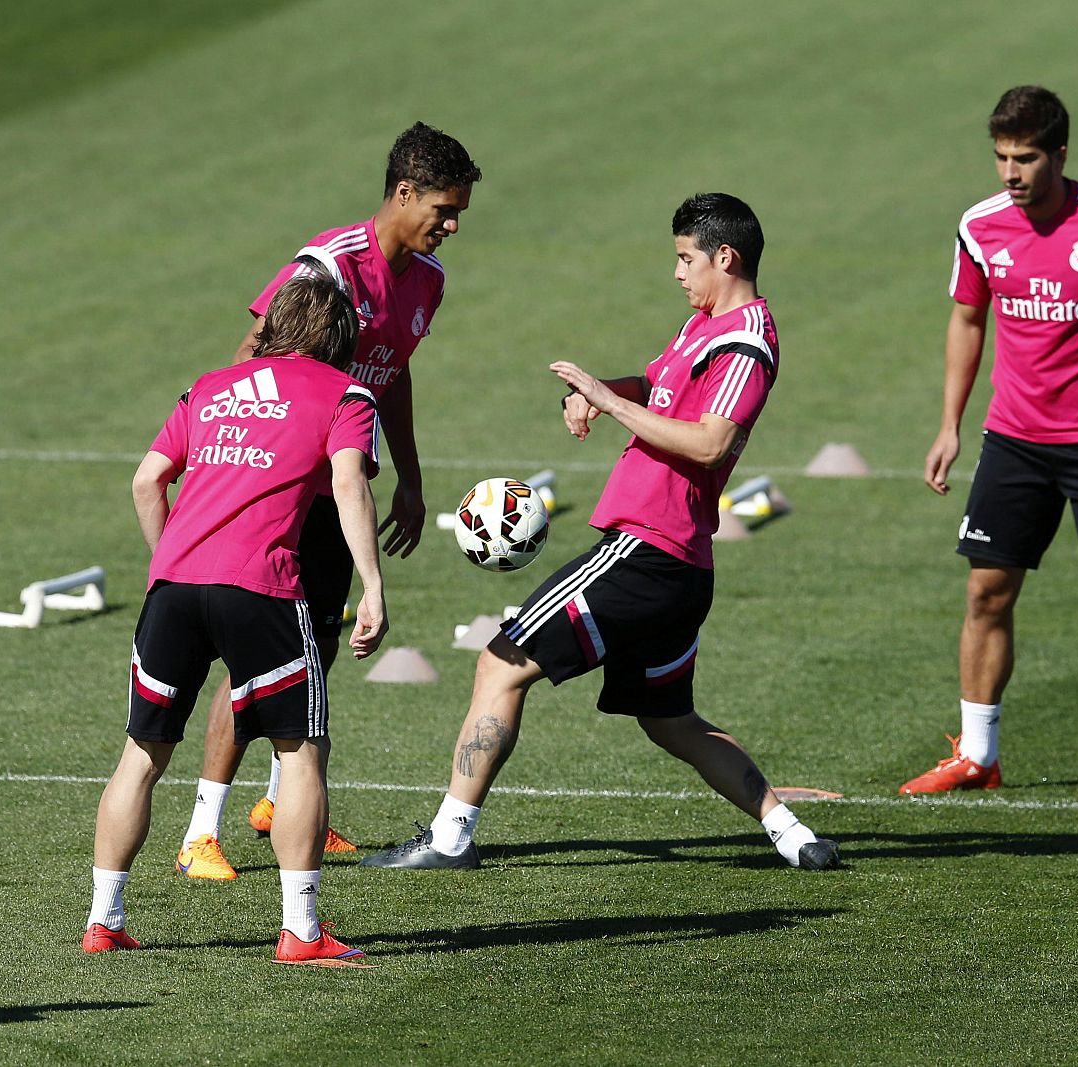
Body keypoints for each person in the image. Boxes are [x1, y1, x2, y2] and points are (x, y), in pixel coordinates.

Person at [359, 193, 840, 873]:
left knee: (500, 662)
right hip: (676, 563)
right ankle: (793, 835)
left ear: (724, 257)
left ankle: (449, 836)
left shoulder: (746, 344)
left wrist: (609, 404)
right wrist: (603, 390)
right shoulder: (702, 326)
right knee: (670, 719)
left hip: (647, 549)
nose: (677, 272)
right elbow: (655, 383)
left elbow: (710, 443)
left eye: (685, 258)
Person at [174, 122, 482, 879]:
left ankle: (282, 803)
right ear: (402, 192)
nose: (449, 226)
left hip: (343, 487)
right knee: (255, 655)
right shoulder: (328, 264)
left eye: (458, 215)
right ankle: (198, 832)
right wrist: (240, 467)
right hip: (284, 490)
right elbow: (253, 355)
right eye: (442, 209)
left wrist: (408, 475)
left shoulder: (428, 279)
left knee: (312, 645)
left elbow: (394, 371)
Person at [901, 85, 1078, 803]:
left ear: (1060, 153)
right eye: (1001, 157)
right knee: (986, 592)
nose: (1010, 172)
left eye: (1025, 158)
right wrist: (950, 423)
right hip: (1014, 441)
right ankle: (977, 754)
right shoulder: (980, 226)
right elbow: (968, 319)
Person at [83, 275, 389, 964]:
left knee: (142, 754)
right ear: (340, 340)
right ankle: (302, 931)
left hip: (175, 586)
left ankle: (104, 919)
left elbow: (145, 480)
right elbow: (348, 484)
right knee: (300, 750)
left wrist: (169, 563)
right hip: (263, 589)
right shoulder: (347, 396)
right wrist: (371, 585)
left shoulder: (211, 385)